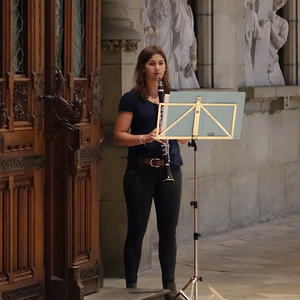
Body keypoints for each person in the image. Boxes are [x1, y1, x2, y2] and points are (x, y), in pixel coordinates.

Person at [114, 45, 184, 300]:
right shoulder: (131, 98)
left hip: (170, 168)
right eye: (152, 63)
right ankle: (131, 286)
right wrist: (144, 137)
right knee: (136, 230)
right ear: (143, 67)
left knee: (169, 231)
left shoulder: (172, 97)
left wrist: (179, 130)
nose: (158, 68)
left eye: (161, 63)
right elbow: (119, 137)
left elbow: (185, 139)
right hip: (140, 171)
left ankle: (170, 287)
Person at [267, 0, 289, 85]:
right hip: (258, 61)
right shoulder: (258, 15)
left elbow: (279, 44)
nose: (281, 2)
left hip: (272, 64)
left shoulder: (283, 22)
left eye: (284, 1)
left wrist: (271, 27)